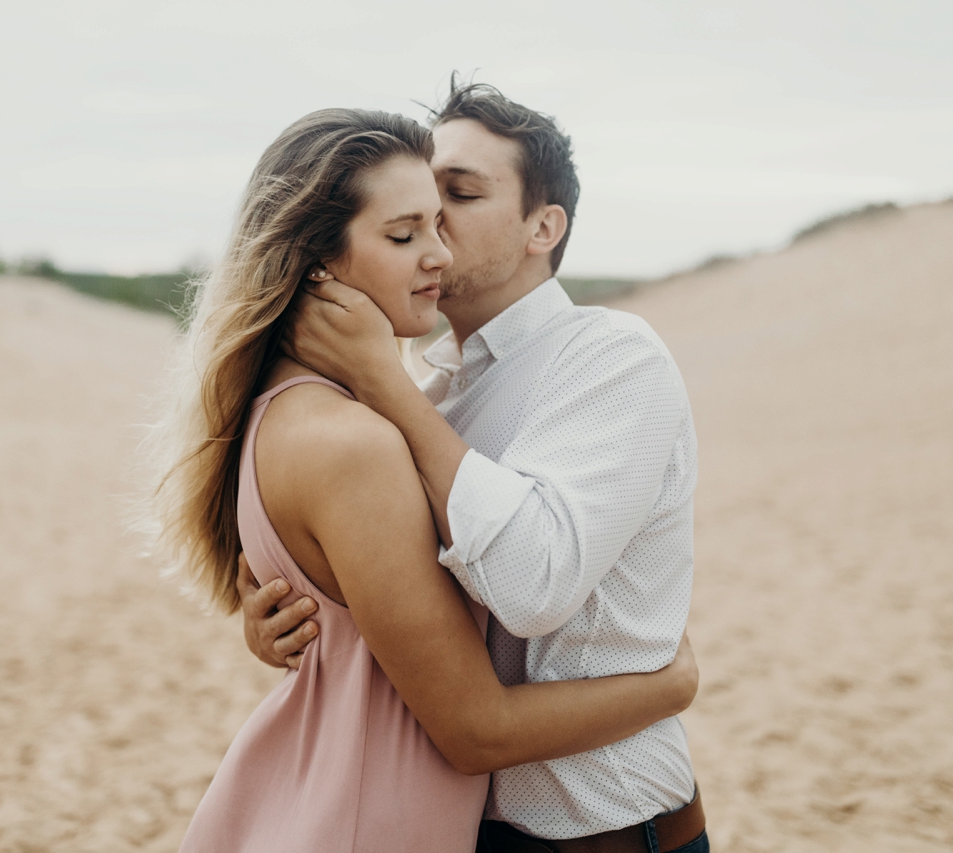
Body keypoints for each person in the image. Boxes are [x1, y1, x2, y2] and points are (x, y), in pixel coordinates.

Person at [152, 107, 699, 853]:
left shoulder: (607, 358)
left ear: (543, 227)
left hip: (600, 831)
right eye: (412, 222)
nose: (438, 238)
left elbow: (535, 583)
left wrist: (386, 384)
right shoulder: (412, 401)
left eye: (457, 198)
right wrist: (294, 622)